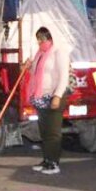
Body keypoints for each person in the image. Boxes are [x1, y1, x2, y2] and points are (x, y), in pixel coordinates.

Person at [25, 26, 70, 175]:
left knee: (53, 132)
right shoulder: (40, 53)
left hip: (54, 96)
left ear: (50, 38)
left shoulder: (59, 52)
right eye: (38, 39)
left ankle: (54, 163)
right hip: (41, 97)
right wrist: (28, 67)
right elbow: (36, 73)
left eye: (42, 39)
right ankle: (47, 160)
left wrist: (57, 95)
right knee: (44, 131)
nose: (39, 42)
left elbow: (64, 76)